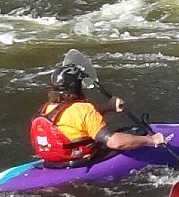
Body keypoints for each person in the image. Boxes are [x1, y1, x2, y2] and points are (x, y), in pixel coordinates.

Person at [29, 51, 169, 164]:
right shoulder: (83, 109)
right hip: (79, 161)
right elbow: (115, 143)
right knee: (129, 134)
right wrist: (151, 140)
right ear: (76, 87)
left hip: (53, 161)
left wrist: (109, 107)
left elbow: (78, 122)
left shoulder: (47, 108)